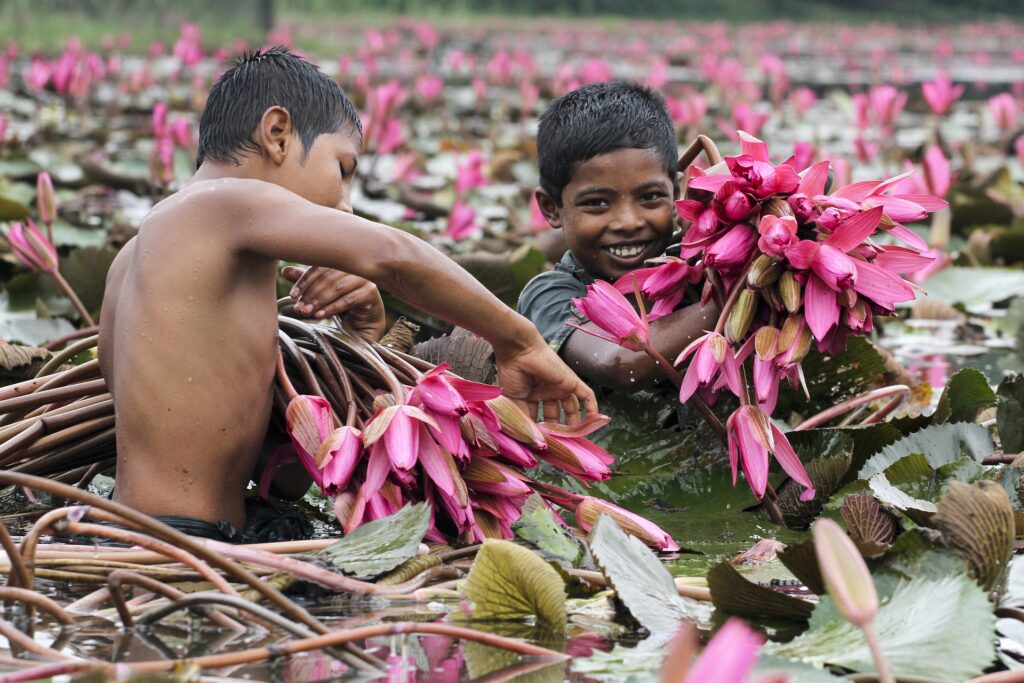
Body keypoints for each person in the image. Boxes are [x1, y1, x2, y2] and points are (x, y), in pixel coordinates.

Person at [97, 47, 596, 542]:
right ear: (277, 135)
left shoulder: (137, 259)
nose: (346, 205)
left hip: (147, 537)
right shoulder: (220, 205)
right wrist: (519, 341)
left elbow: (286, 478)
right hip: (185, 546)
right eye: (343, 169)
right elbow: (390, 255)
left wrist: (363, 335)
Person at [518, 82, 719, 392]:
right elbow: (620, 363)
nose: (628, 222)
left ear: (677, 192)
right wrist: (733, 298)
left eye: (650, 197)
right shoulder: (548, 296)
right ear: (551, 208)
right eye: (597, 203)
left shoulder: (699, 261)